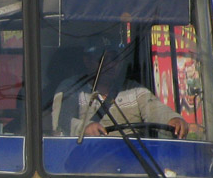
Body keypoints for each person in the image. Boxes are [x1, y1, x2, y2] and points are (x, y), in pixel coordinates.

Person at [52, 46, 189, 138]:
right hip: (86, 158)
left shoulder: (134, 90)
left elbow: (156, 109)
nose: (110, 65)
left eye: (114, 59)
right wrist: (85, 128)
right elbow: (61, 123)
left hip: (133, 163)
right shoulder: (72, 88)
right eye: (102, 60)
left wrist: (173, 119)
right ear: (87, 61)